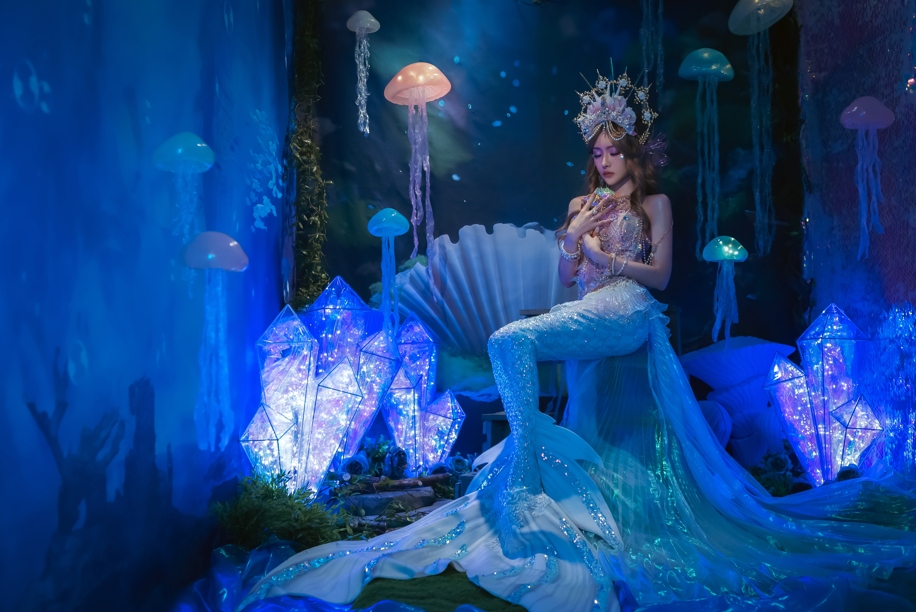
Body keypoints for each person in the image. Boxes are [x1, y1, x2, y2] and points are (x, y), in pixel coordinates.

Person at [240, 74, 916, 612]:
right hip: (594, 305)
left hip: (631, 308)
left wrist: (602, 253)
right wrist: (575, 237)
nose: (604, 160)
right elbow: (568, 276)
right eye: (596, 152)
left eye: (614, 150)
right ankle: (544, 474)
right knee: (534, 362)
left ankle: (526, 475)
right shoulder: (583, 205)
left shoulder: (654, 206)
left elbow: (661, 277)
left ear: (633, 153)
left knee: (509, 339)